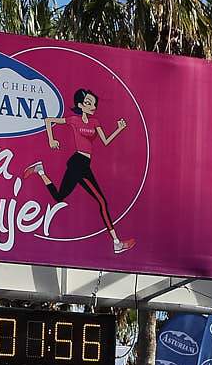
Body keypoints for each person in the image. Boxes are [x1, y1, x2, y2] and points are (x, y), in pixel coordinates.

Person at [25, 87, 133, 254]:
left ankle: (40, 171)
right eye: (89, 103)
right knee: (102, 201)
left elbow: (105, 141)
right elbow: (49, 120)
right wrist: (51, 139)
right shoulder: (74, 120)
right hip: (78, 163)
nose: (93, 107)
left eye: (94, 104)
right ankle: (116, 243)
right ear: (80, 105)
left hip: (83, 164)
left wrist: (119, 129)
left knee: (59, 197)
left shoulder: (95, 122)